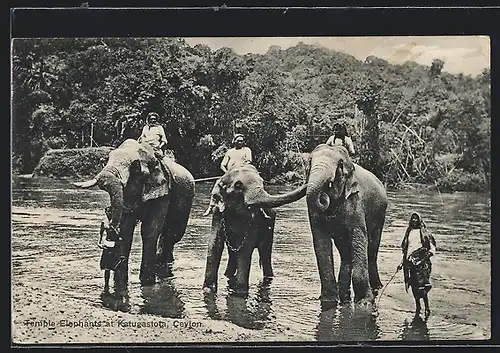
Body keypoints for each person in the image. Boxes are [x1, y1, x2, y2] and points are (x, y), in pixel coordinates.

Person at [203, 134, 270, 219]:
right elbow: (222, 165)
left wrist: (241, 168)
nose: (240, 142)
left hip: (244, 173)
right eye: (238, 141)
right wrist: (227, 172)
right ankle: (211, 206)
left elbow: (248, 161)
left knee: (258, 182)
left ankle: (261, 209)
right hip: (231, 174)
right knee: (217, 184)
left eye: (241, 141)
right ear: (234, 141)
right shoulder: (230, 151)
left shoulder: (246, 150)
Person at [396, 212, 437, 316]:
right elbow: (407, 250)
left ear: (419, 220)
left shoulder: (425, 233)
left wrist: (422, 259)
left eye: (416, 219)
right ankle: (418, 307)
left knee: (422, 287)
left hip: (421, 265)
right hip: (409, 263)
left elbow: (432, 250)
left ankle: (427, 308)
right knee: (413, 286)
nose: (414, 220)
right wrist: (402, 263)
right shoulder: (408, 232)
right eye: (412, 219)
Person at [98, 206, 124, 291]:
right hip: (108, 244)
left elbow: (122, 235)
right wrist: (99, 243)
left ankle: (119, 284)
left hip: (116, 244)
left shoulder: (117, 222)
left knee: (117, 266)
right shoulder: (104, 222)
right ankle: (106, 285)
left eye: (110, 212)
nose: (108, 213)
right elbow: (101, 233)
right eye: (107, 212)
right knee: (106, 268)